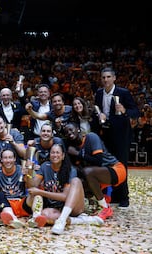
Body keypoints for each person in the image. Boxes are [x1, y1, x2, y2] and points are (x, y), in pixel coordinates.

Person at [27, 144, 104, 235]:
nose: (55, 155)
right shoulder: (45, 166)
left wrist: (40, 192)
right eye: (52, 153)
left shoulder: (70, 170)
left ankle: (62, 220)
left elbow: (64, 197)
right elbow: (32, 186)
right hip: (57, 207)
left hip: (74, 206)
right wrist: (29, 170)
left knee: (76, 181)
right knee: (45, 216)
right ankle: (83, 220)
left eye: (57, 153)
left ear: (63, 156)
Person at [94, 67, 140, 208]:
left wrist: (124, 110)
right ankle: (113, 195)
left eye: (108, 77)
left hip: (121, 135)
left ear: (114, 78)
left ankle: (124, 197)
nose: (106, 80)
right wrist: (99, 116)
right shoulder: (99, 93)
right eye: (103, 77)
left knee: (121, 164)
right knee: (109, 165)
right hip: (106, 134)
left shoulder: (123, 93)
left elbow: (135, 111)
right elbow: (97, 109)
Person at [64, 122, 127, 221]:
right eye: (66, 132)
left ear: (78, 129)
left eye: (71, 129)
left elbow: (98, 161)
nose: (69, 133)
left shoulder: (91, 137)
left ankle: (105, 208)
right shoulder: (73, 147)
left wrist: (77, 153)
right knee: (78, 185)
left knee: (87, 172)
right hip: (99, 176)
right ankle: (100, 201)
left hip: (116, 169)